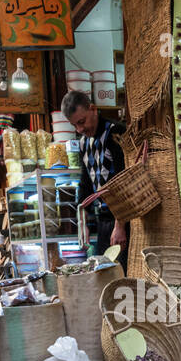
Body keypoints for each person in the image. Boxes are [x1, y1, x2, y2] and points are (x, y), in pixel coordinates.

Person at [62, 90, 126, 256]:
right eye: (75, 125)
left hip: (123, 219)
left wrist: (120, 225)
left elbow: (124, 181)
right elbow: (85, 186)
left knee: (127, 276)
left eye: (82, 122)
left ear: (93, 108)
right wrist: (83, 223)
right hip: (102, 221)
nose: (80, 129)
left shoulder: (114, 132)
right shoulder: (83, 143)